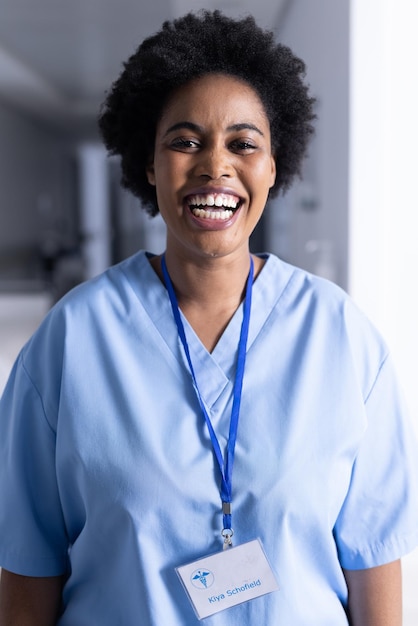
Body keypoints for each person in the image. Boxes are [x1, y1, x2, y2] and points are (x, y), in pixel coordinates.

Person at [0, 9, 417, 625]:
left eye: (243, 143)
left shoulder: (340, 337)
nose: (214, 165)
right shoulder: (73, 338)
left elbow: (373, 567)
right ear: (149, 164)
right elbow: (28, 572)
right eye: (185, 141)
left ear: (273, 169)